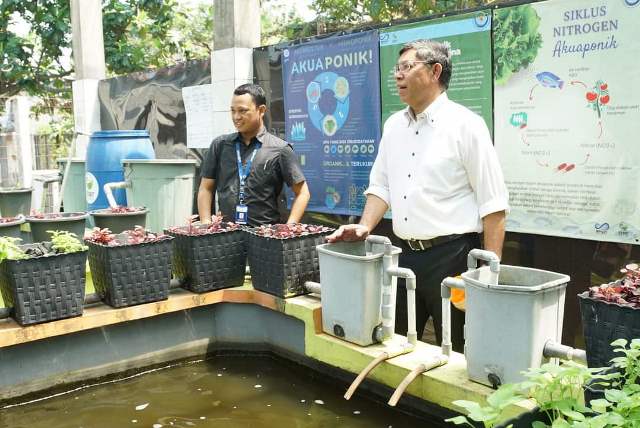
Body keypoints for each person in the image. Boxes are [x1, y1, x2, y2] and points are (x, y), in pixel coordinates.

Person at [326, 40, 509, 352]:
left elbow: (494, 206)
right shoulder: (394, 126)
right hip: (403, 257)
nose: (398, 76)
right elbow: (380, 186)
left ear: (435, 71)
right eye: (397, 69)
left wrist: (487, 275)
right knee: (392, 344)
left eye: (407, 67)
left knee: (459, 352)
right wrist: (365, 226)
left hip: (454, 259)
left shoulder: (466, 125)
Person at [198, 83, 310, 226]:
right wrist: (206, 224)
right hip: (224, 237)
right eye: (232, 111)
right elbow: (206, 187)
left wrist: (289, 227)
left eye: (242, 111)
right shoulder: (220, 145)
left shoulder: (280, 149)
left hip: (264, 237)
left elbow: (303, 193)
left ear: (261, 110)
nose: (236, 117)